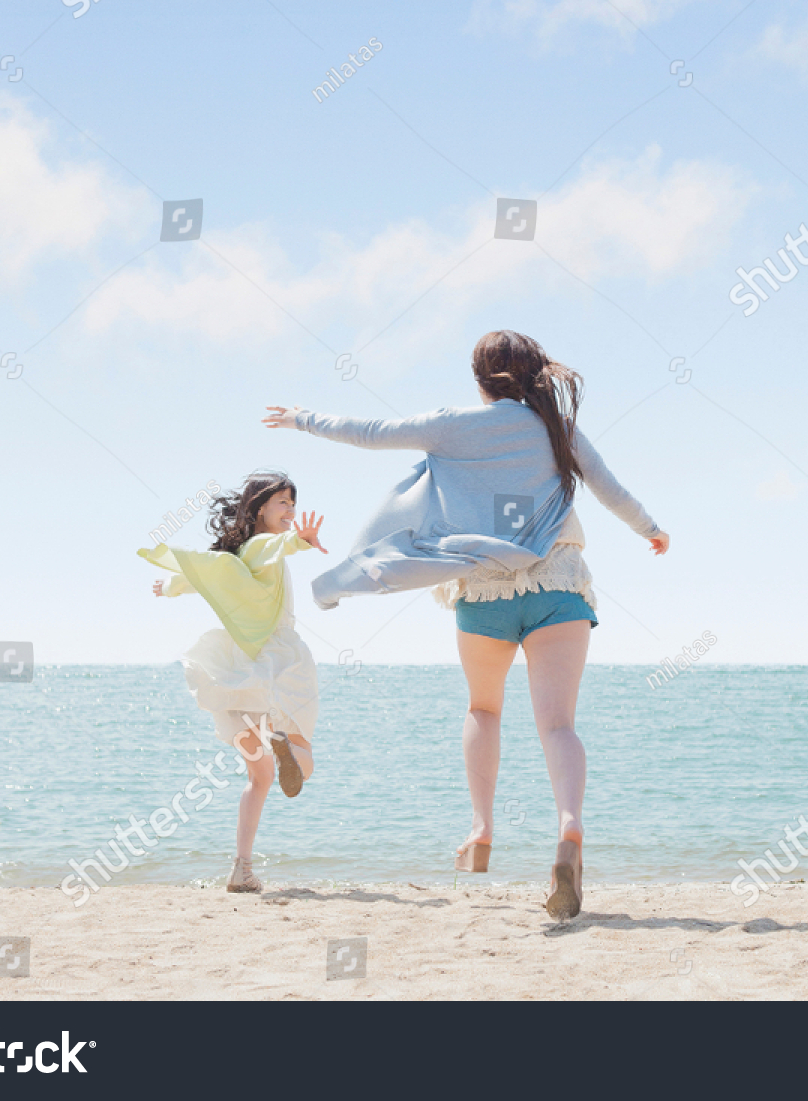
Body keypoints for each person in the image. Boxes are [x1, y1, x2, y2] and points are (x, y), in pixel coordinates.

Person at [264, 330, 667, 919]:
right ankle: (570, 829)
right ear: (533, 376)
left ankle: (481, 832)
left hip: (483, 588)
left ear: (480, 381)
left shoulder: (453, 424)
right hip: (559, 583)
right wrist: (650, 529)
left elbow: (367, 433)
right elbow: (612, 491)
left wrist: (302, 418)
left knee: (484, 710)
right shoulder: (557, 429)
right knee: (558, 725)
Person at [138, 471, 327, 894]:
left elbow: (200, 576)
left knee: (257, 778)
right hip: (282, 664)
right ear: (260, 507)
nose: (291, 512)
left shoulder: (233, 555)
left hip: (237, 672)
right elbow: (277, 545)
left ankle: (241, 868)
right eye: (282, 503)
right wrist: (302, 541)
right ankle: (287, 746)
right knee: (305, 758)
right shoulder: (263, 546)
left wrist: (168, 587)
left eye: (293, 505)